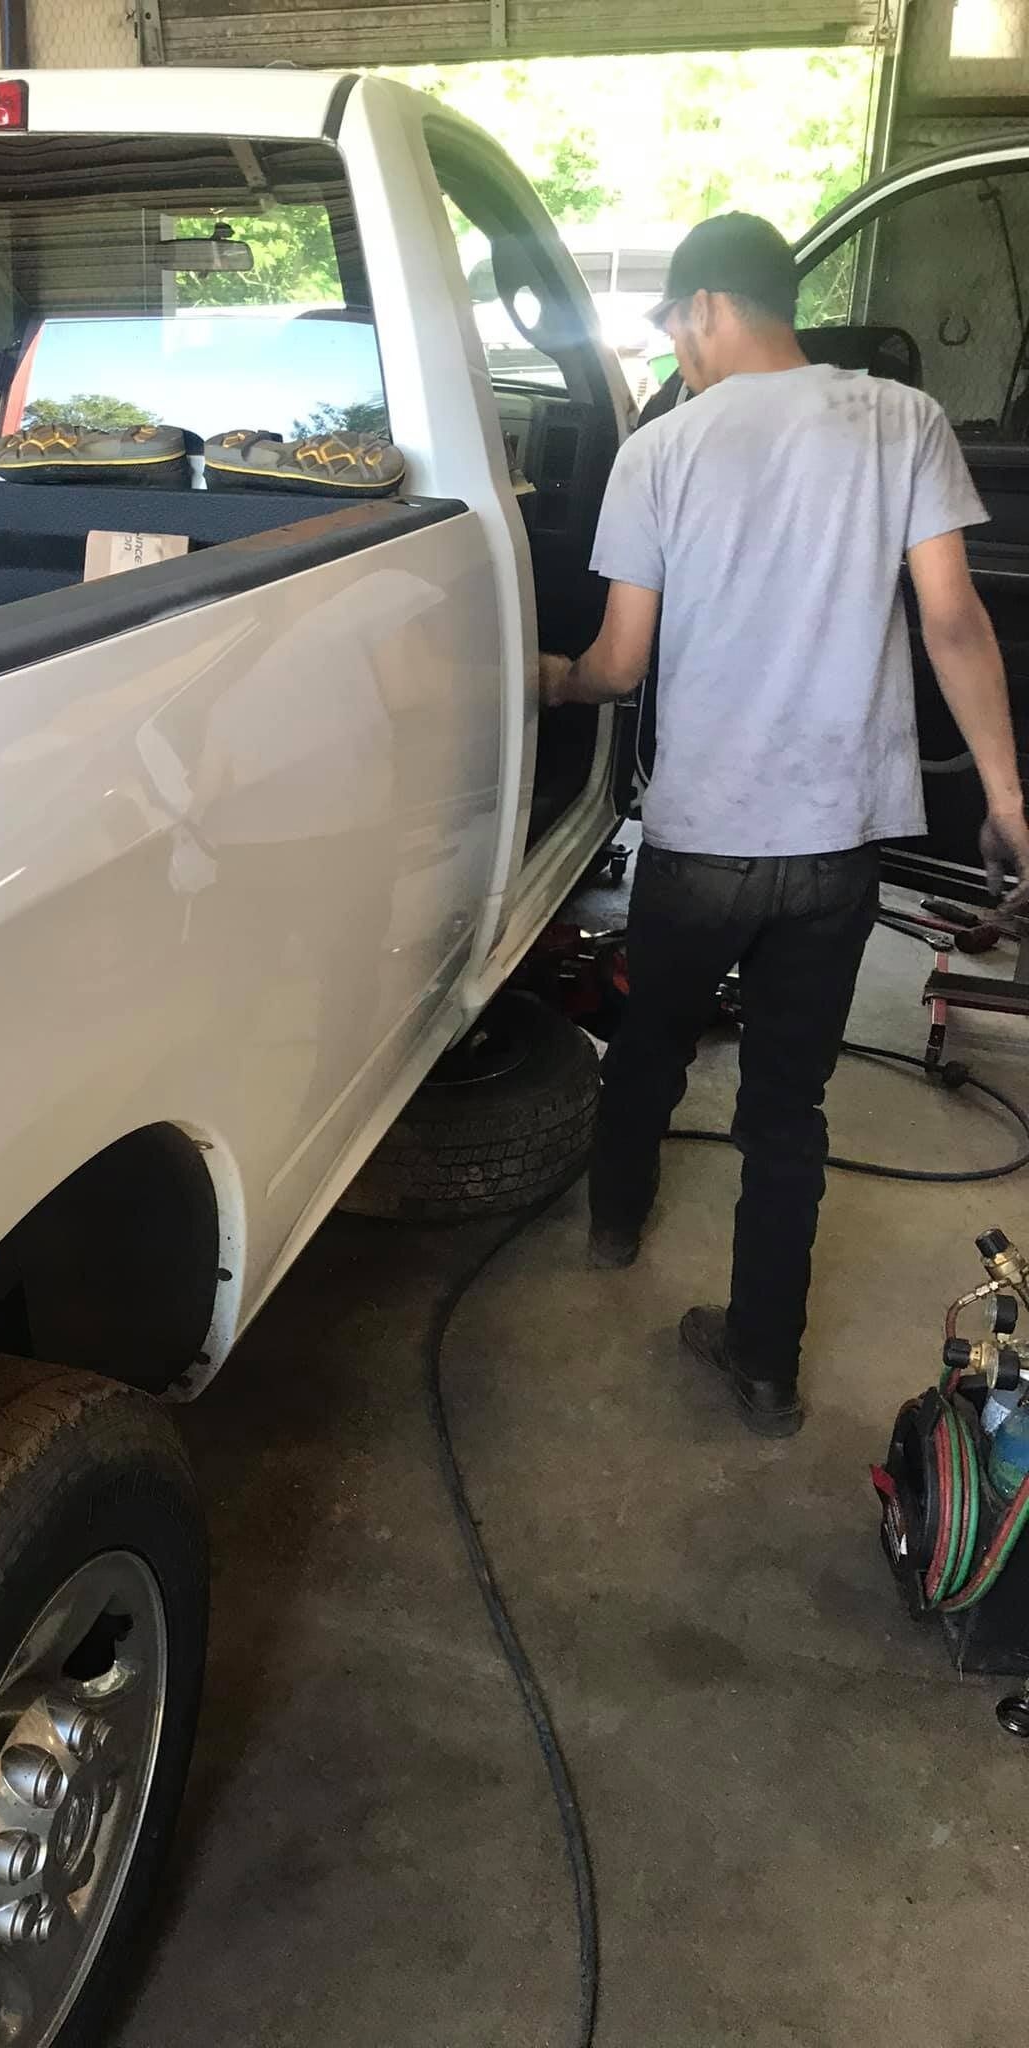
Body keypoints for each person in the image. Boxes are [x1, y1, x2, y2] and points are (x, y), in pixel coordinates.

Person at [538, 210, 1029, 1439]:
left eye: (675, 328)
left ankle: (613, 1227)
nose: (678, 353)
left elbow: (620, 661)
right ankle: (765, 1366)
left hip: (702, 842)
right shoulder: (900, 419)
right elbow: (953, 621)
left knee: (648, 1047)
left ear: (705, 305)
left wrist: (553, 680)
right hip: (833, 850)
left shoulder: (661, 448)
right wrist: (1008, 796)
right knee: (786, 1112)